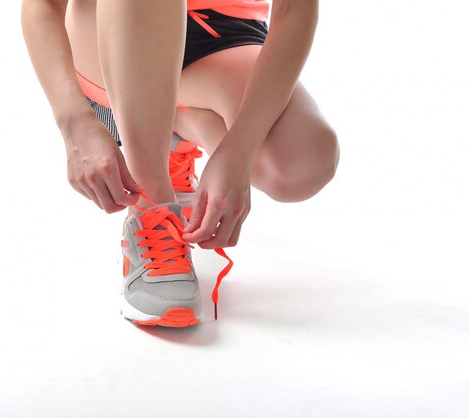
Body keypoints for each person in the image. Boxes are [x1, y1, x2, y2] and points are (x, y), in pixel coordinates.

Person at [21, 0, 339, 327]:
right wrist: (74, 121)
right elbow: (42, 5)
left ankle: (174, 125)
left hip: (222, 32)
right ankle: (150, 206)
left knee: (303, 161)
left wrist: (237, 151)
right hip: (110, 35)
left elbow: (295, 10)